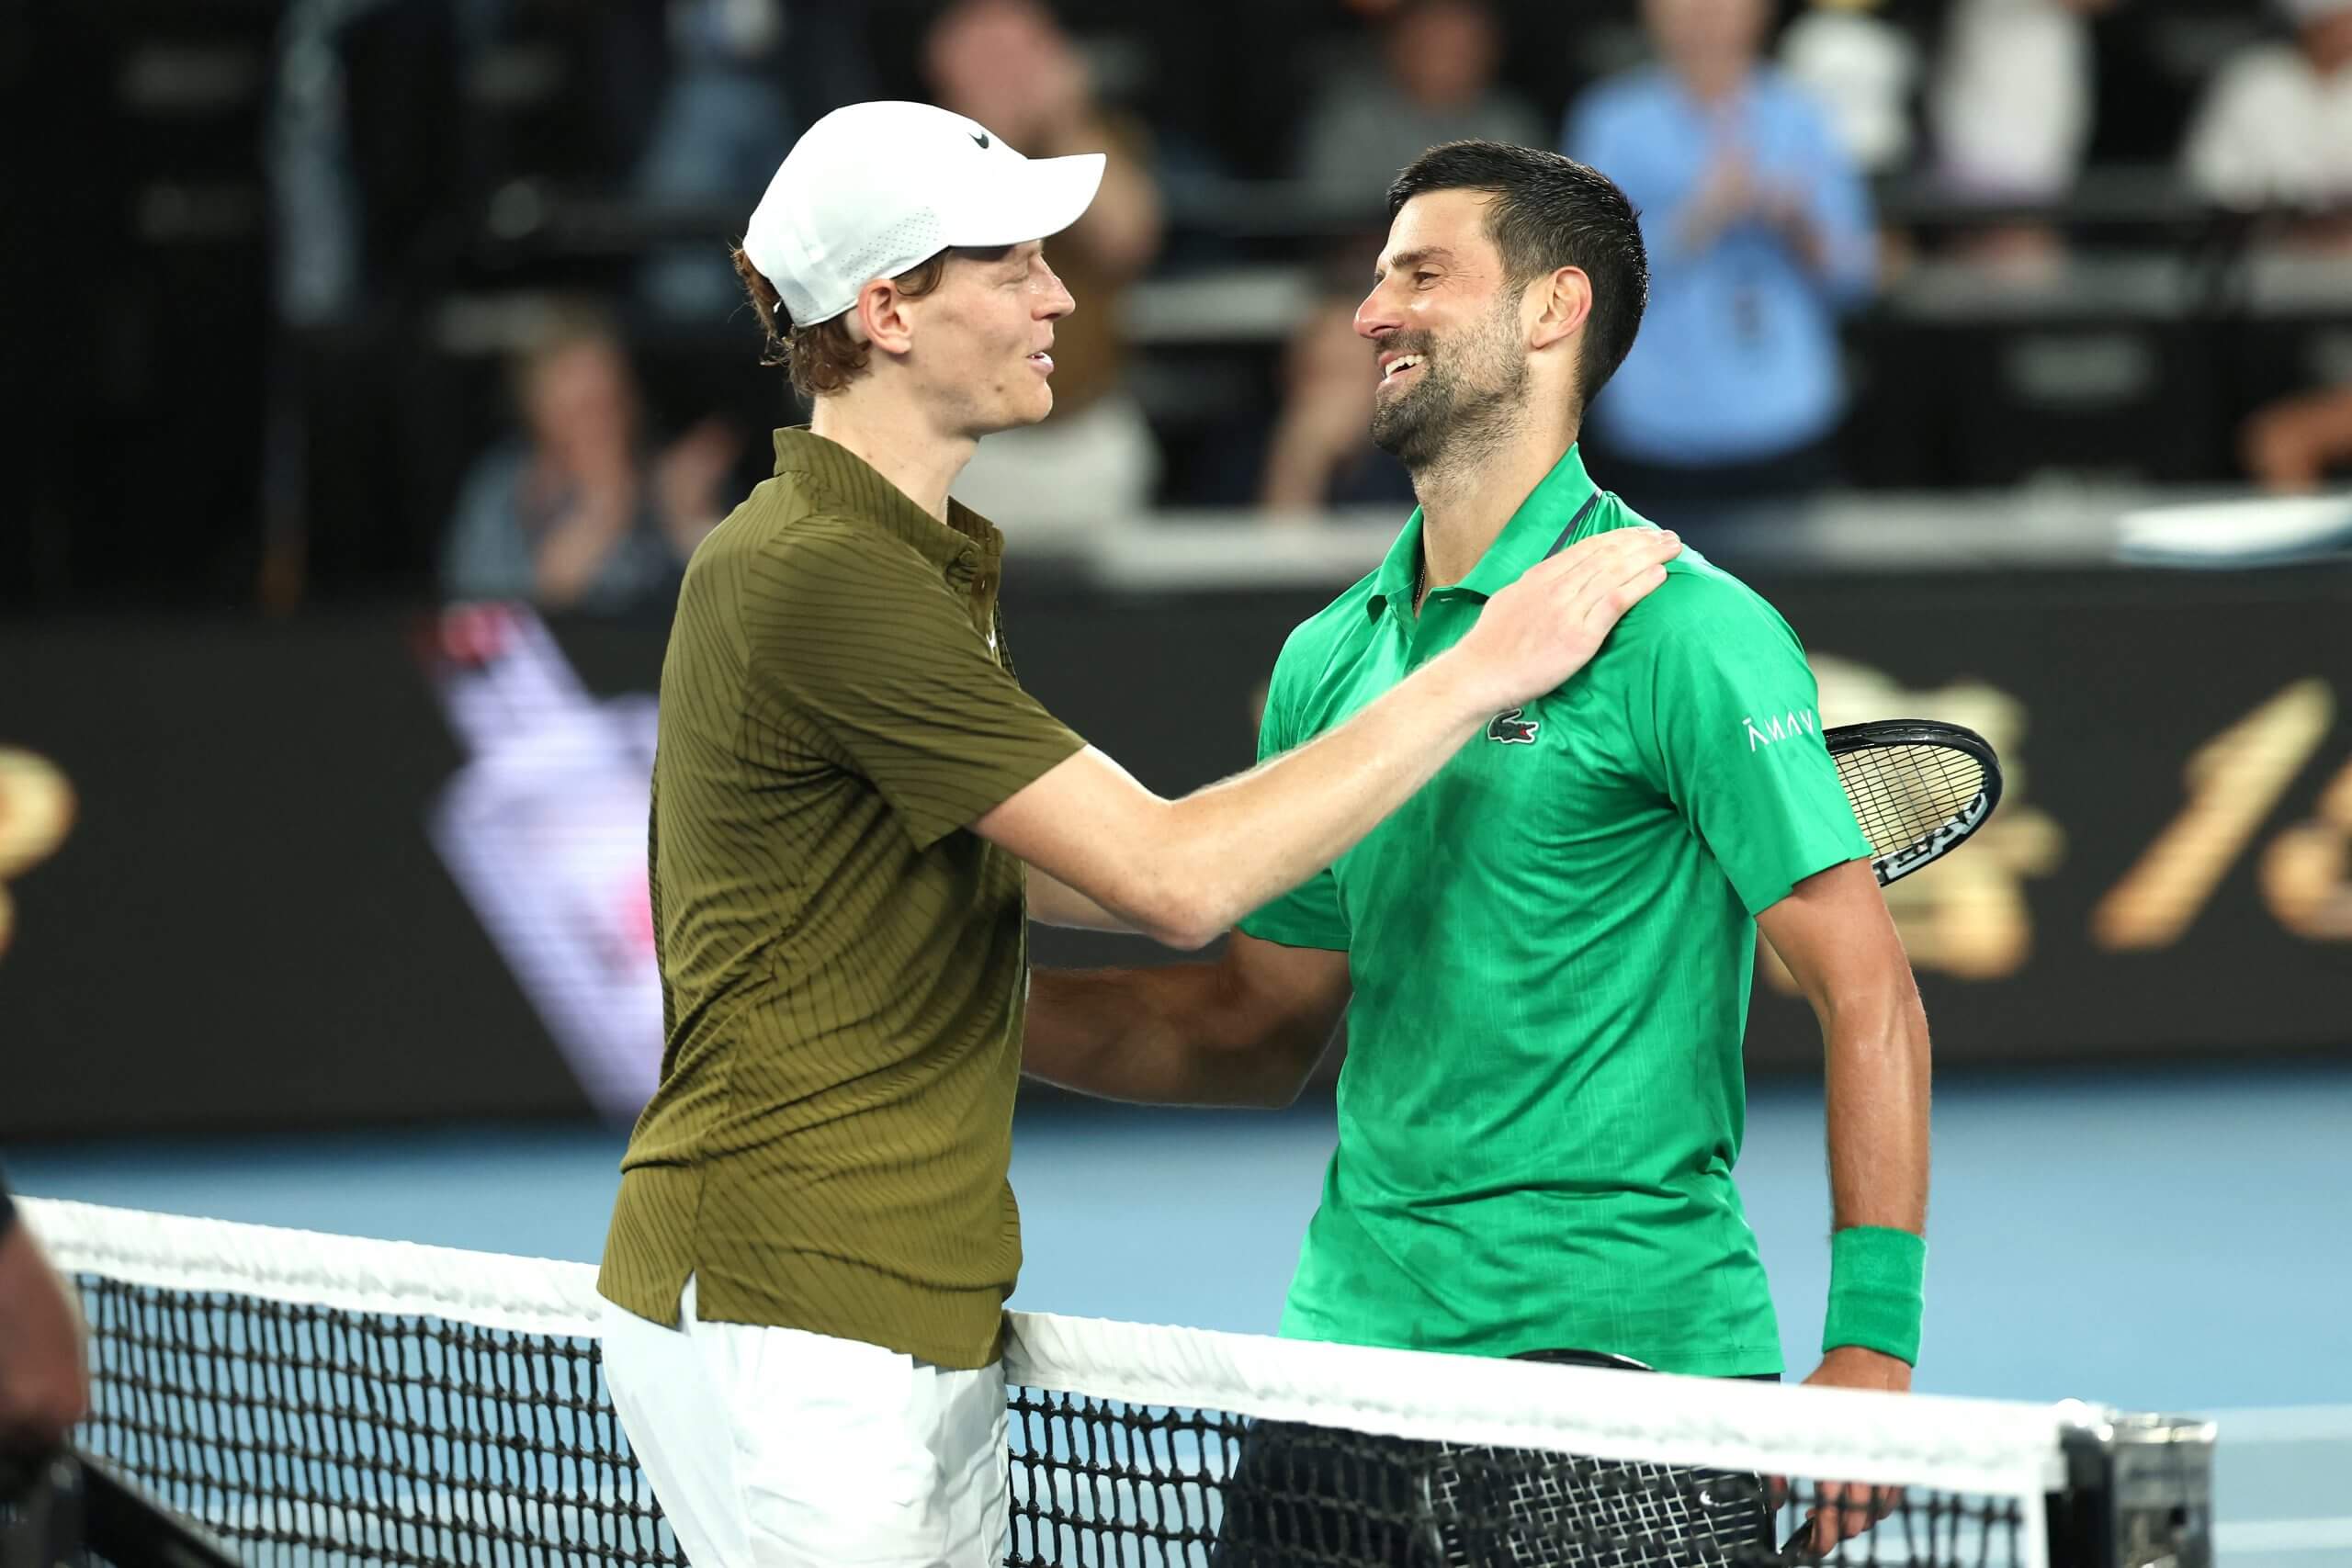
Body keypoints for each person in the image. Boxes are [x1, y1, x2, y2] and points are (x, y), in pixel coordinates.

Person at [591, 102, 1681, 1566]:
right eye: (1015, 269)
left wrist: (1438, 869)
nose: (1059, 296)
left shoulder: (904, 567)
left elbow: (1056, 879)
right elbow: (1174, 877)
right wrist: (1488, 665)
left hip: (904, 1305)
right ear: (887, 307)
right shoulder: (821, 575)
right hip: (795, 1311)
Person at [1022, 141, 1928, 1561]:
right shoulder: (1332, 657)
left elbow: (1868, 990)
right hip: (1348, 1370)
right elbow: (1255, 1024)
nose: (1375, 311)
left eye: (1423, 274)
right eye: (1378, 278)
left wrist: (1873, 1343)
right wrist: (962, 1010)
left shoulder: (1689, 630)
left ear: (1553, 311)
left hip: (1623, 1374)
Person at [1564, 0, 1877, 526]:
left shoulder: (1800, 115)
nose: (1706, 12)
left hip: (1787, 420)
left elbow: (1857, 278)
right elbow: (1582, 284)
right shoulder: (1611, 120)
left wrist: (1799, 227)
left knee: (1791, 606)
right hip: (1653, 428)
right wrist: (1700, 218)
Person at [922, 0, 1167, 537]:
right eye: (990, 56)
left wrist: (1065, 124)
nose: (1011, 74)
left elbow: (1128, 241)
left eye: (1026, 53)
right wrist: (986, 136)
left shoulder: (1098, 141)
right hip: (959, 438)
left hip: (1085, 433)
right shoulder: (912, 151)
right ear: (944, 59)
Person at [440, 314, 741, 615]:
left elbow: (746, 607)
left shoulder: (679, 480)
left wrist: (694, 523)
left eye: (613, 401)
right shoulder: (502, 489)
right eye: (583, 408)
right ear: (537, 410)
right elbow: (490, 621)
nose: (602, 426)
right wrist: (601, 514)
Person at [2181, 0, 2352, 227]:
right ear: (2315, 25)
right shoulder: (2254, 78)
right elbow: (2209, 177)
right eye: (2345, 22)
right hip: (2261, 239)